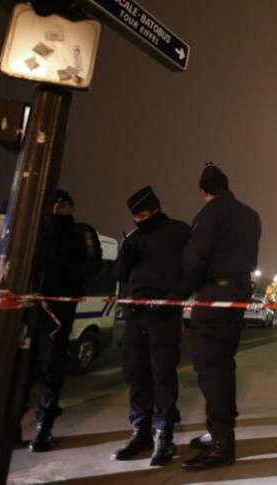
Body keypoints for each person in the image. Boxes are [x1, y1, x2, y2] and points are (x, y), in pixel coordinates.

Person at [180, 163, 261, 471]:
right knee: (223, 364)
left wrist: (180, 293)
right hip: (239, 297)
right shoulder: (250, 215)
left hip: (215, 297)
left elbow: (196, 257)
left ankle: (221, 444)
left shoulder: (210, 214)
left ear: (205, 191)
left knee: (210, 368)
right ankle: (218, 431)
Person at [111, 186, 192, 466]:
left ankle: (163, 433)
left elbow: (192, 271)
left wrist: (173, 300)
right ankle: (141, 430)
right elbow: (119, 274)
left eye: (143, 215)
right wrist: (126, 256)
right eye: (135, 217)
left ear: (156, 209)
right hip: (135, 314)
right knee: (136, 373)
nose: (139, 220)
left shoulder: (180, 233)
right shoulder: (134, 238)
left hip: (164, 314)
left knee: (162, 374)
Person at [23, 189, 101, 452]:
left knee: (51, 366)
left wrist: (65, 269)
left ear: (69, 206)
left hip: (58, 308)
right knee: (22, 368)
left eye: (61, 204)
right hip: (30, 306)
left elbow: (92, 267)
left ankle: (44, 427)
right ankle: (11, 425)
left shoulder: (81, 232)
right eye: (53, 204)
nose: (57, 208)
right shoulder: (36, 229)